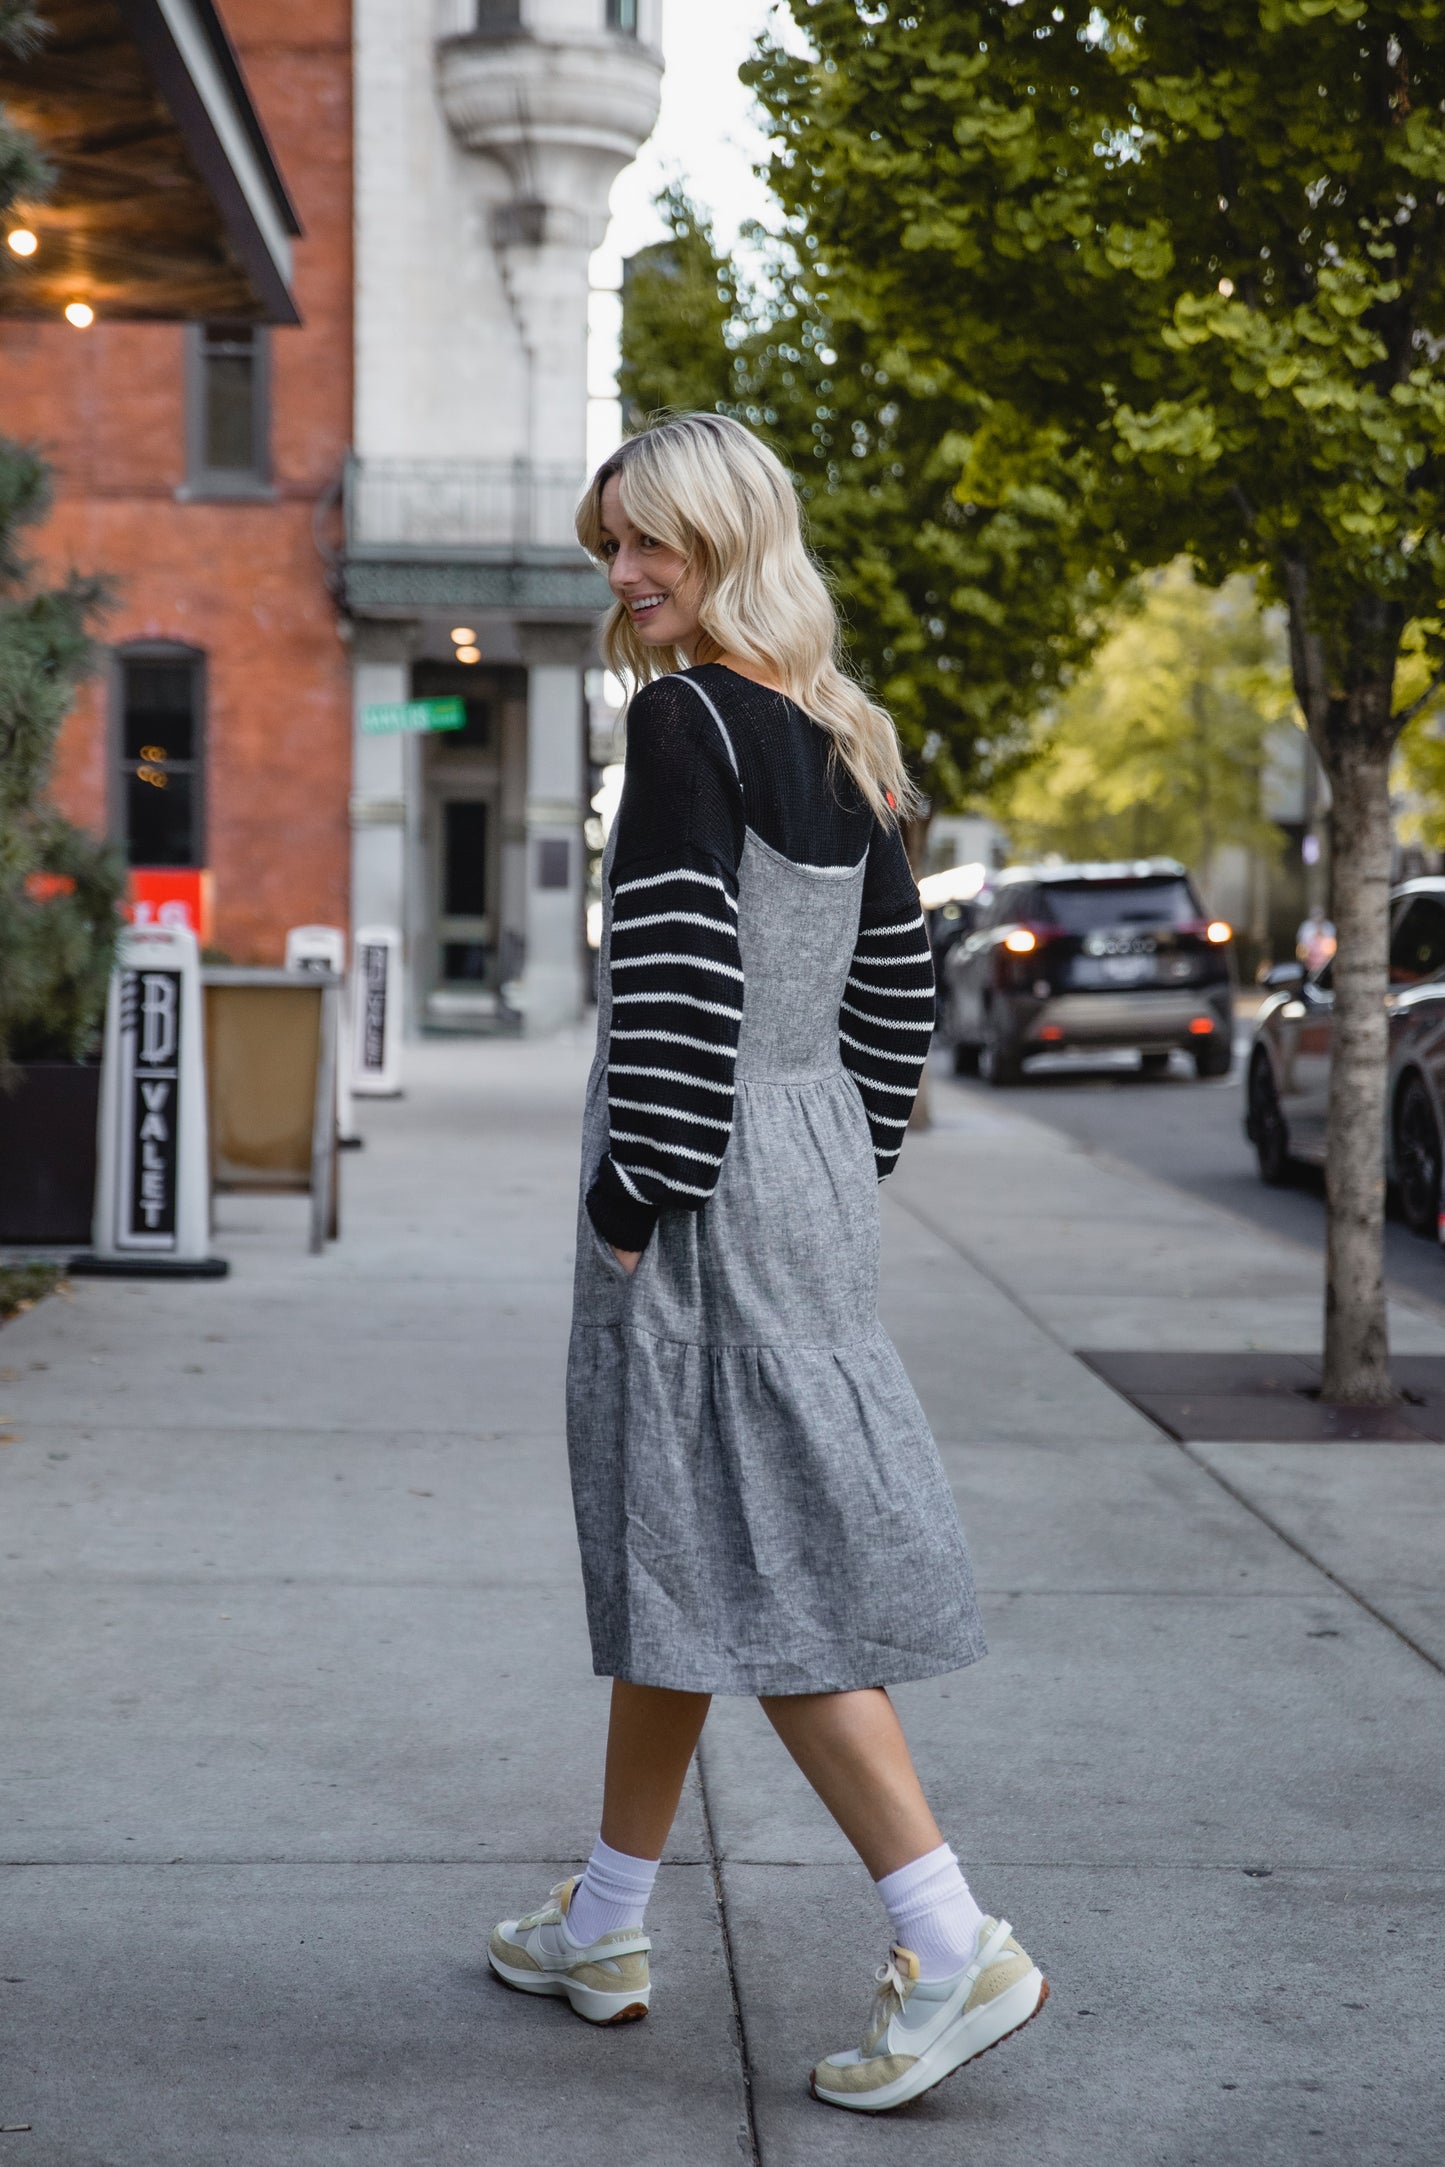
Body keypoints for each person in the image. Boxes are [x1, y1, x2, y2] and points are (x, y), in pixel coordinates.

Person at [487, 413, 1047, 2113]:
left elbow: (676, 980)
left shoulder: (680, 723)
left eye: (649, 542)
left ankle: (949, 1941)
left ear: (727, 536)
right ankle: (605, 1920)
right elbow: (896, 1001)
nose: (624, 576)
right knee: (696, 1527)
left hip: (702, 1171)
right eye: (609, 548)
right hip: (802, 1167)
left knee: (767, 1553)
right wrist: (840, 1161)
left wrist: (633, 1195)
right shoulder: (836, 732)